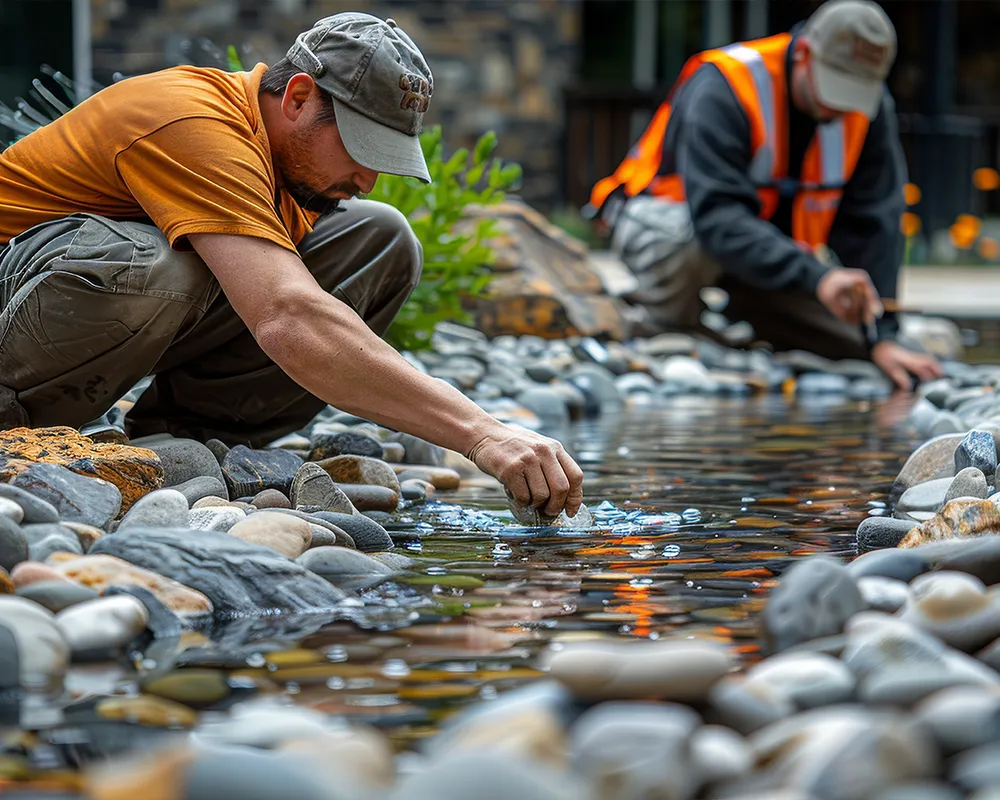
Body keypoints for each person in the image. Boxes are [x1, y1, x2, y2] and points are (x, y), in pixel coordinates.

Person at [0, 12, 584, 518]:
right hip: (13, 309)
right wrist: (482, 434)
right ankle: (17, 430)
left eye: (386, 156)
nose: (368, 178)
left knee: (378, 235)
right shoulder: (189, 121)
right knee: (160, 264)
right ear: (299, 97)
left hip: (77, 321)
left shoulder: (281, 162)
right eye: (360, 149)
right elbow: (288, 318)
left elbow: (297, 303)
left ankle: (189, 448)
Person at [588, 0, 943, 391]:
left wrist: (882, 334)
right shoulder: (725, 84)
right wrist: (816, 276)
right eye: (835, 85)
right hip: (675, 230)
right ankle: (660, 324)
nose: (843, 107)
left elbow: (876, 221)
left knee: (852, 342)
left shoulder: (869, 107)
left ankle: (746, 319)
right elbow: (717, 218)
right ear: (804, 52)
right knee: (688, 239)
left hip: (767, 254)